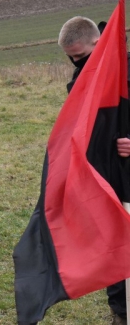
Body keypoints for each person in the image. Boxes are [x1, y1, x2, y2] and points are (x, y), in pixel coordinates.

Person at [59, 16, 129, 325]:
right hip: (107, 179)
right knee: (114, 245)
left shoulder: (127, 71)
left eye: (81, 57)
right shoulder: (80, 82)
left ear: (98, 44)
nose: (77, 64)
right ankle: (121, 313)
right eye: (71, 59)